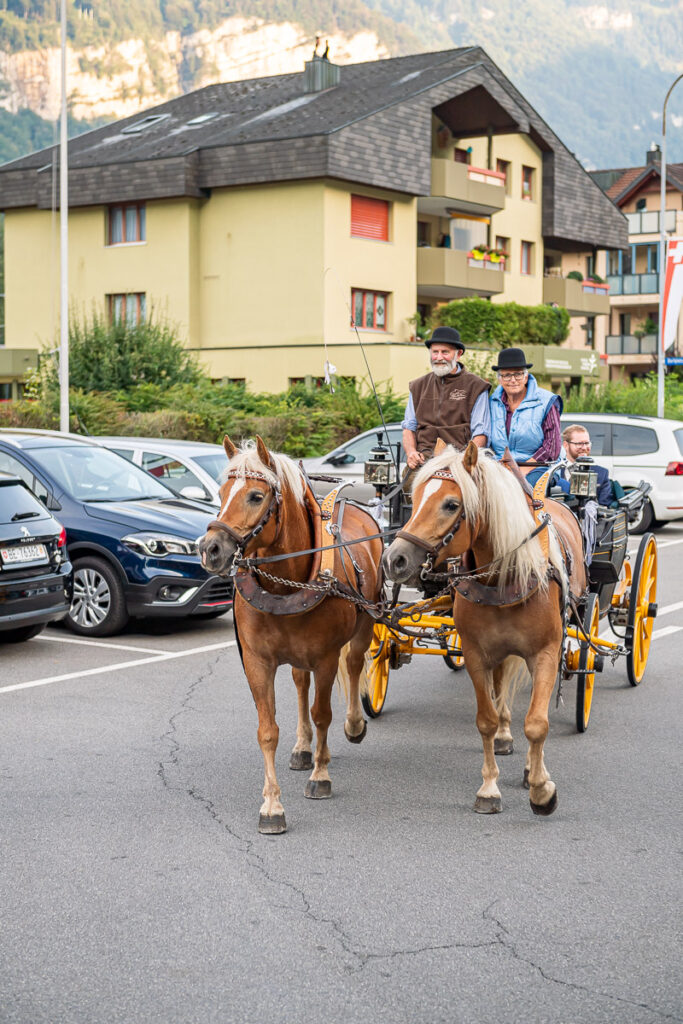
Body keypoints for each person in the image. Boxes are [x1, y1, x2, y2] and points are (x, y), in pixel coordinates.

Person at [401, 326, 491, 471]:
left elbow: (481, 433)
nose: (439, 357)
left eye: (445, 352)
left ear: (458, 354)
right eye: (435, 352)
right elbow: (408, 428)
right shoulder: (417, 386)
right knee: (405, 488)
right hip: (424, 461)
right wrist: (411, 452)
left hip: (459, 461)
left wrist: (465, 461)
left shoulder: (477, 386)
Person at [489, 347, 562, 485]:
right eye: (507, 375)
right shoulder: (491, 403)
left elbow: (552, 447)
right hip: (499, 467)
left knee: (522, 489)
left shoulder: (546, 402)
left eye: (518, 374)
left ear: (526, 376)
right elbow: (487, 442)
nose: (513, 380)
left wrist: (523, 469)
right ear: (500, 379)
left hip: (539, 467)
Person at [561, 424, 614, 506]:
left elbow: (604, 507)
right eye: (579, 444)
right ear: (566, 445)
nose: (584, 448)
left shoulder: (602, 474)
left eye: (587, 443)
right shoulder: (553, 471)